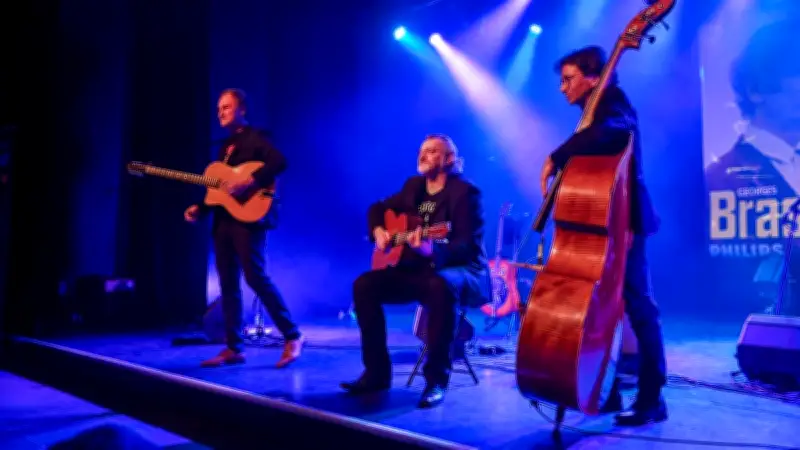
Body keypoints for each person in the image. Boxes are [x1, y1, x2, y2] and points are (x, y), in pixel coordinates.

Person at [540, 46, 667, 426]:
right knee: (605, 309)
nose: (562, 88)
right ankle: (607, 392)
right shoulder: (591, 114)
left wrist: (558, 155)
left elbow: (614, 132)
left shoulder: (613, 101)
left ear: (593, 77)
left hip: (624, 224)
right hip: (603, 224)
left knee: (639, 309)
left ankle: (651, 399)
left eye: (568, 79)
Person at [340, 134, 491, 408]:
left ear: (449, 160)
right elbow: (377, 207)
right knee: (364, 285)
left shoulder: (465, 194)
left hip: (463, 271)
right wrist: (379, 230)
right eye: (422, 150)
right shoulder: (413, 187)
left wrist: (432, 251)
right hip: (421, 270)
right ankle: (376, 373)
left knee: (440, 284)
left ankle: (436, 380)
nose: (423, 156)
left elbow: (467, 246)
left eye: (432, 151)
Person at [184, 88, 304, 368]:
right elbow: (219, 192)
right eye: (218, 109)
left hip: (250, 219)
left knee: (255, 277)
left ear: (242, 110)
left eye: (226, 107)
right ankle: (233, 347)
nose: (220, 113)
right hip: (224, 221)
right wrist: (200, 209)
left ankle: (292, 335)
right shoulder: (223, 148)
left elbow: (279, 162)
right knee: (228, 283)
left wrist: (249, 183)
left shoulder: (257, 139)